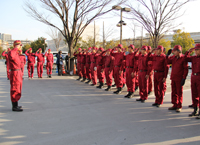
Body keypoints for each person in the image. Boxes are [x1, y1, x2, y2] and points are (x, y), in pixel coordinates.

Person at [166, 45, 188, 112]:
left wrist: (184, 78)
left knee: (179, 92)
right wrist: (167, 55)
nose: (174, 52)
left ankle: (179, 106)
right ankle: (175, 104)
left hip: (179, 78)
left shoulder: (183, 58)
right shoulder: (173, 57)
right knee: (174, 92)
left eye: (175, 51)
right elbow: (168, 61)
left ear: (179, 51)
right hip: (173, 77)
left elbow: (185, 69)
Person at [185, 44, 200, 118]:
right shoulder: (193, 58)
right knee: (194, 94)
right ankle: (195, 110)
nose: (196, 51)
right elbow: (185, 58)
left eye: (197, 50)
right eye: (195, 50)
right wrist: (188, 52)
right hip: (193, 77)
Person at [9, 40, 23, 111]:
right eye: (20, 45)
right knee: (15, 88)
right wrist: (16, 48)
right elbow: (11, 55)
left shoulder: (16, 53)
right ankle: (14, 106)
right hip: (15, 73)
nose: (21, 47)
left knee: (18, 88)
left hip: (18, 72)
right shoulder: (12, 52)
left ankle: (16, 104)